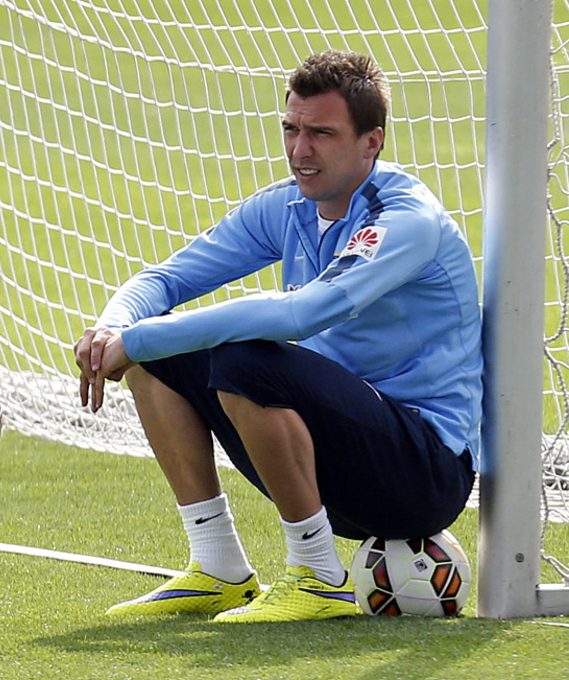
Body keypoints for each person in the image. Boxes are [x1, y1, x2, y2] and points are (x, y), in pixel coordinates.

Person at [73, 49, 481, 622]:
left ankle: (318, 576)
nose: (299, 150)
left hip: (422, 472)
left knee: (240, 360)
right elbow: (165, 279)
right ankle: (218, 565)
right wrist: (115, 329)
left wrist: (138, 339)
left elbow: (299, 317)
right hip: (335, 461)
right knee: (159, 356)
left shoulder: (405, 220)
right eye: (291, 128)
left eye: (321, 132)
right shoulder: (288, 206)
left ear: (372, 142)